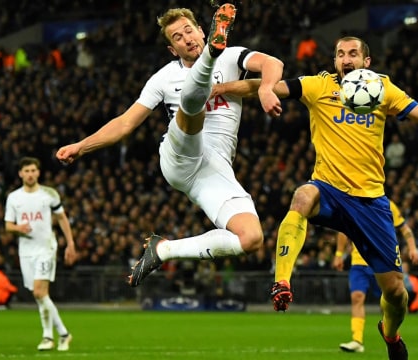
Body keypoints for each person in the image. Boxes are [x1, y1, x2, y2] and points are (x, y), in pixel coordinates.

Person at [214, 36, 418, 360]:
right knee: (302, 197)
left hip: (370, 202)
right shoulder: (318, 86)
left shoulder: (382, 88)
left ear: (366, 62)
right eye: (340, 54)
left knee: (396, 293)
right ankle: (282, 281)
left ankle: (390, 333)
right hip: (328, 189)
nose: (346, 59)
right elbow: (263, 83)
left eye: (353, 53)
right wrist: (221, 89)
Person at [56, 4, 283, 287]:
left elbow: (273, 64)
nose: (186, 38)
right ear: (173, 50)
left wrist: (263, 87)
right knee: (192, 104)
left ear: (201, 31)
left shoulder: (233, 56)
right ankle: (207, 60)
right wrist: (82, 146)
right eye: (177, 37)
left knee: (250, 238)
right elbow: (126, 123)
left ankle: (164, 250)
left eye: (189, 30)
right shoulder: (163, 78)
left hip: (214, 169)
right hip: (180, 155)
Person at [4, 157, 77, 351]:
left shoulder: (49, 194)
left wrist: (70, 243)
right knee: (39, 295)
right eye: (26, 171)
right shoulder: (14, 197)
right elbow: (8, 226)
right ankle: (63, 334)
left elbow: (62, 218)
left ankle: (48, 337)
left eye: (33, 170)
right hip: (26, 252)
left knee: (39, 292)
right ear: (20, 173)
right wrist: (19, 227)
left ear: (38, 172)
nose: (30, 174)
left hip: (46, 249)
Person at [333, 200, 418, 353]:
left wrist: (412, 248)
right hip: (359, 262)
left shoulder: (387, 204)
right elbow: (343, 230)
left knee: (389, 300)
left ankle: (390, 337)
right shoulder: (352, 201)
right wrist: (339, 254)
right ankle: (357, 340)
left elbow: (405, 229)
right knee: (357, 297)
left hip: (381, 261)